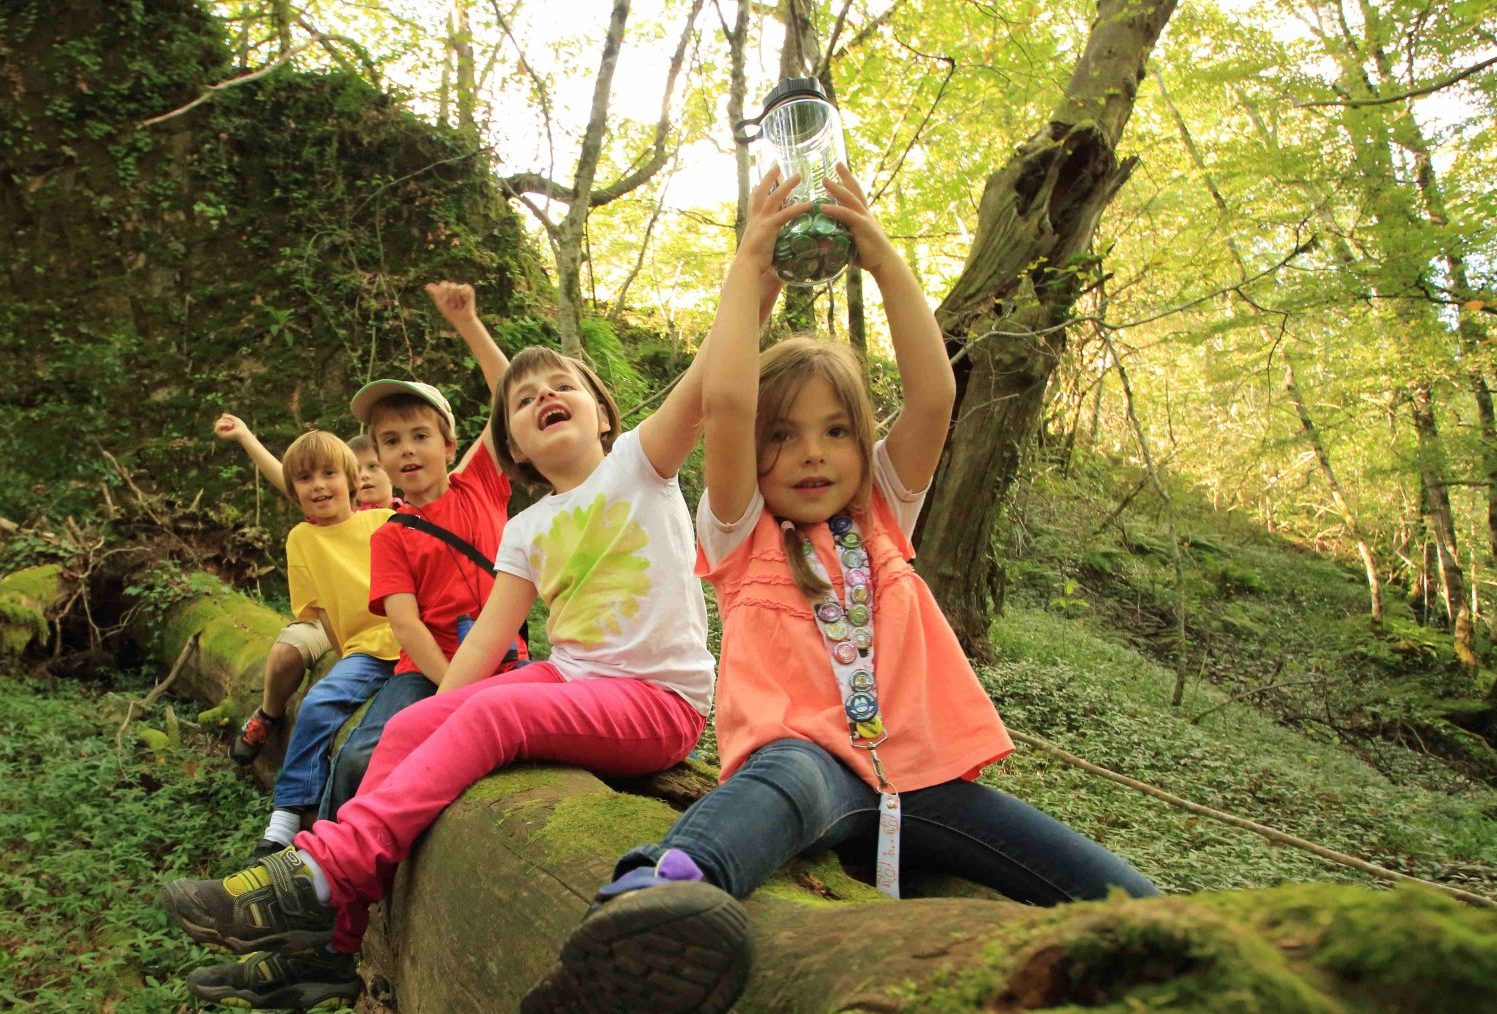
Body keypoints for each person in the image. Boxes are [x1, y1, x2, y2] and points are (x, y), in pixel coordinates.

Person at [521, 166, 1160, 1014]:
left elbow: (934, 395)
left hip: (923, 782)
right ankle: (649, 904)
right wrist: (749, 269)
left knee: (1128, 901)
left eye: (834, 431)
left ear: (862, 444)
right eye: (783, 436)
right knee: (782, 780)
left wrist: (882, 258)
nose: (812, 454)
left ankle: (1185, 950)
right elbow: (724, 403)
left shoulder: (882, 514)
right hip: (810, 770)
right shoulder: (740, 529)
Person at [162, 291, 736, 1009]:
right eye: (523, 398)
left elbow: (713, 371)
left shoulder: (641, 463)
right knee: (407, 726)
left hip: (657, 702)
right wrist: (439, 717)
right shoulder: (527, 528)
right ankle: (335, 948)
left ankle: (322, 870)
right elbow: (486, 641)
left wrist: (756, 268)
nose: (544, 395)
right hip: (570, 678)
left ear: (603, 413)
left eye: (561, 384)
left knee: (491, 718)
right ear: (513, 447)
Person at [315, 281, 527, 822]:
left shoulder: (479, 484)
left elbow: (508, 395)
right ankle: (323, 853)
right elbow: (406, 626)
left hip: (507, 662)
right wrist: (451, 690)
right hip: (428, 671)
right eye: (391, 441)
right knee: (361, 754)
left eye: (419, 436)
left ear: (449, 446)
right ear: (378, 459)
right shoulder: (390, 535)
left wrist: (468, 324)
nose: (406, 449)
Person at [212, 415, 400, 767]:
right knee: (286, 653)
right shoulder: (324, 517)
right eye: (360, 468)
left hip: (385, 621)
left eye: (374, 467)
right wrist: (246, 436)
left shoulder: (399, 517)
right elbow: (289, 478)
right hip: (331, 612)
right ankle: (269, 713)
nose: (366, 475)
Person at [252, 430, 401, 861]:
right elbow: (322, 612)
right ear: (294, 489)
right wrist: (347, 656)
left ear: (351, 480)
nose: (318, 486)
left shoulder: (384, 520)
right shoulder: (302, 539)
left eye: (329, 474)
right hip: (365, 651)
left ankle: (337, 841)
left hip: (415, 643)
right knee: (318, 703)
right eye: (305, 478)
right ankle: (286, 816)